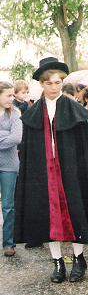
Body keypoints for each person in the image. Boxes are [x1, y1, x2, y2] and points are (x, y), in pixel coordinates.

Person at [15, 57, 88, 283]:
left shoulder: (74, 110)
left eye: (57, 83)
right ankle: (57, 262)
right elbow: (28, 151)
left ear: (61, 82)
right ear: (42, 85)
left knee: (76, 212)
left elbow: (85, 148)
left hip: (71, 173)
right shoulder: (33, 113)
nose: (54, 87)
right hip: (45, 174)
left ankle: (78, 259)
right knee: (49, 216)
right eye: (49, 83)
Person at [0, 82, 22, 257]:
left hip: (9, 165)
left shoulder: (15, 113)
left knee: (8, 206)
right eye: (7, 95)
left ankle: (9, 243)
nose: (11, 99)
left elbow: (16, 138)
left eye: (12, 95)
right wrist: (5, 136)